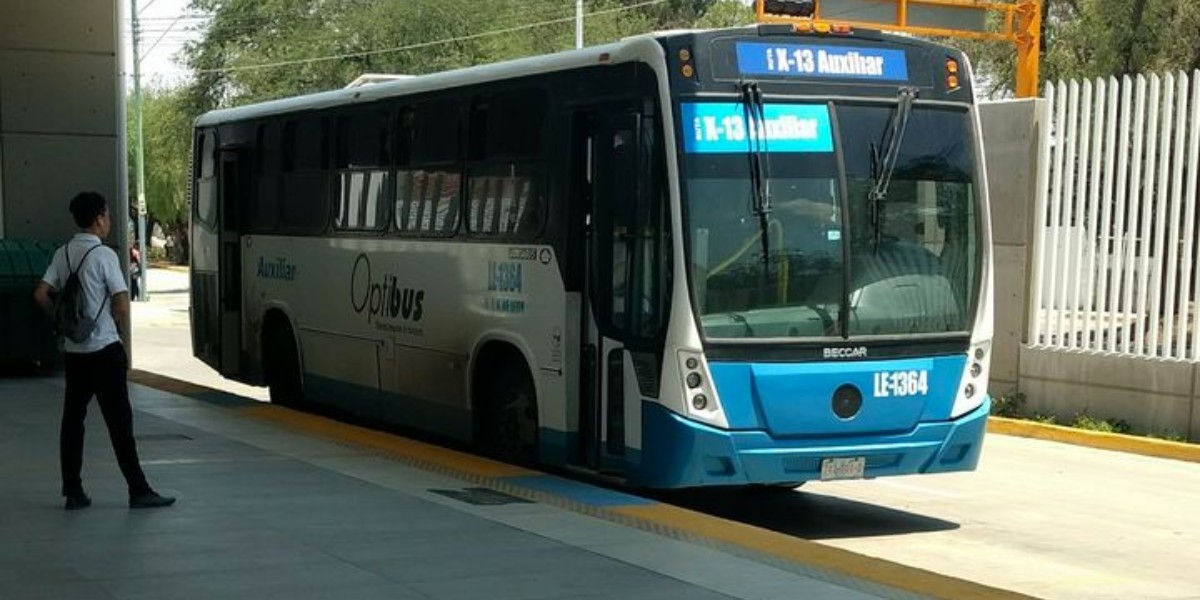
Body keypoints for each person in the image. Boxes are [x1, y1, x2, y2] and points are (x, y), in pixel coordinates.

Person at [32, 191, 175, 511]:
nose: (110, 221)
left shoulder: (63, 253)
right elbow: (122, 304)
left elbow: (41, 294)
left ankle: (73, 491)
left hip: (75, 353)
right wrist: (109, 327)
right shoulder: (105, 257)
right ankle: (138, 489)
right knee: (119, 424)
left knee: (73, 421)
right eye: (108, 215)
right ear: (98, 219)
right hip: (105, 352)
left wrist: (64, 324)